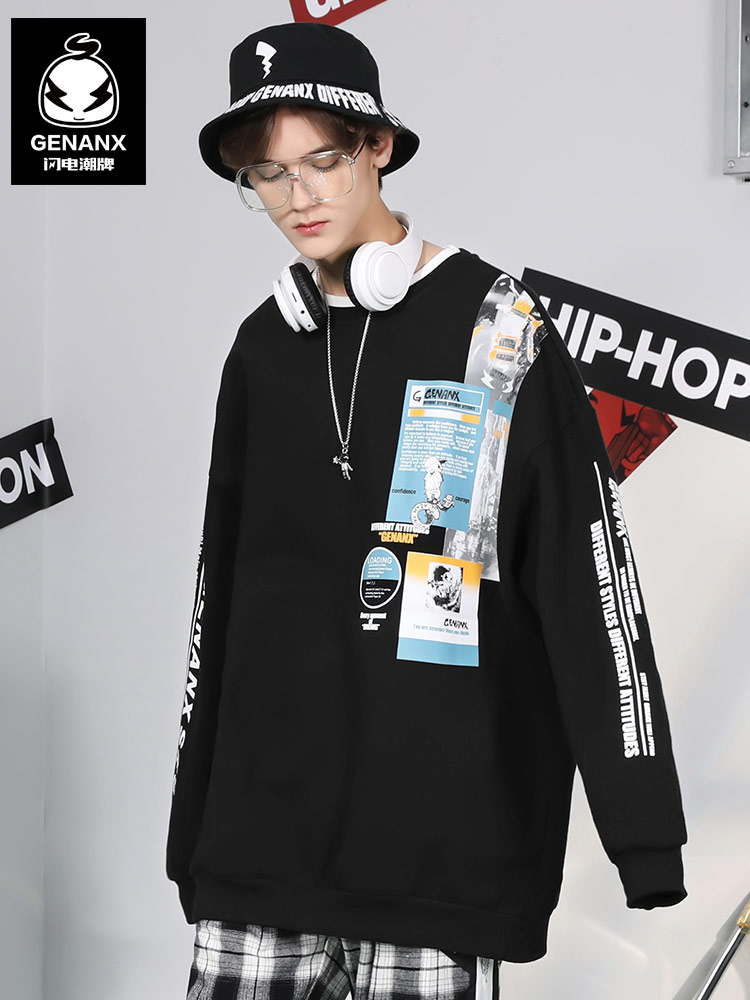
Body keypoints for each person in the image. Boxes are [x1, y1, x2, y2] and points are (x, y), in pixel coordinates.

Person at [166, 20, 687, 1000]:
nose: (297, 196)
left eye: (322, 161)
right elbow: (219, 599)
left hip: (442, 862)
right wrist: (191, 830)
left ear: (378, 146)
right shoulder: (262, 349)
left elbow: (587, 580)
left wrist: (644, 830)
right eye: (267, 174)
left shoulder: (499, 333)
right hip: (259, 852)